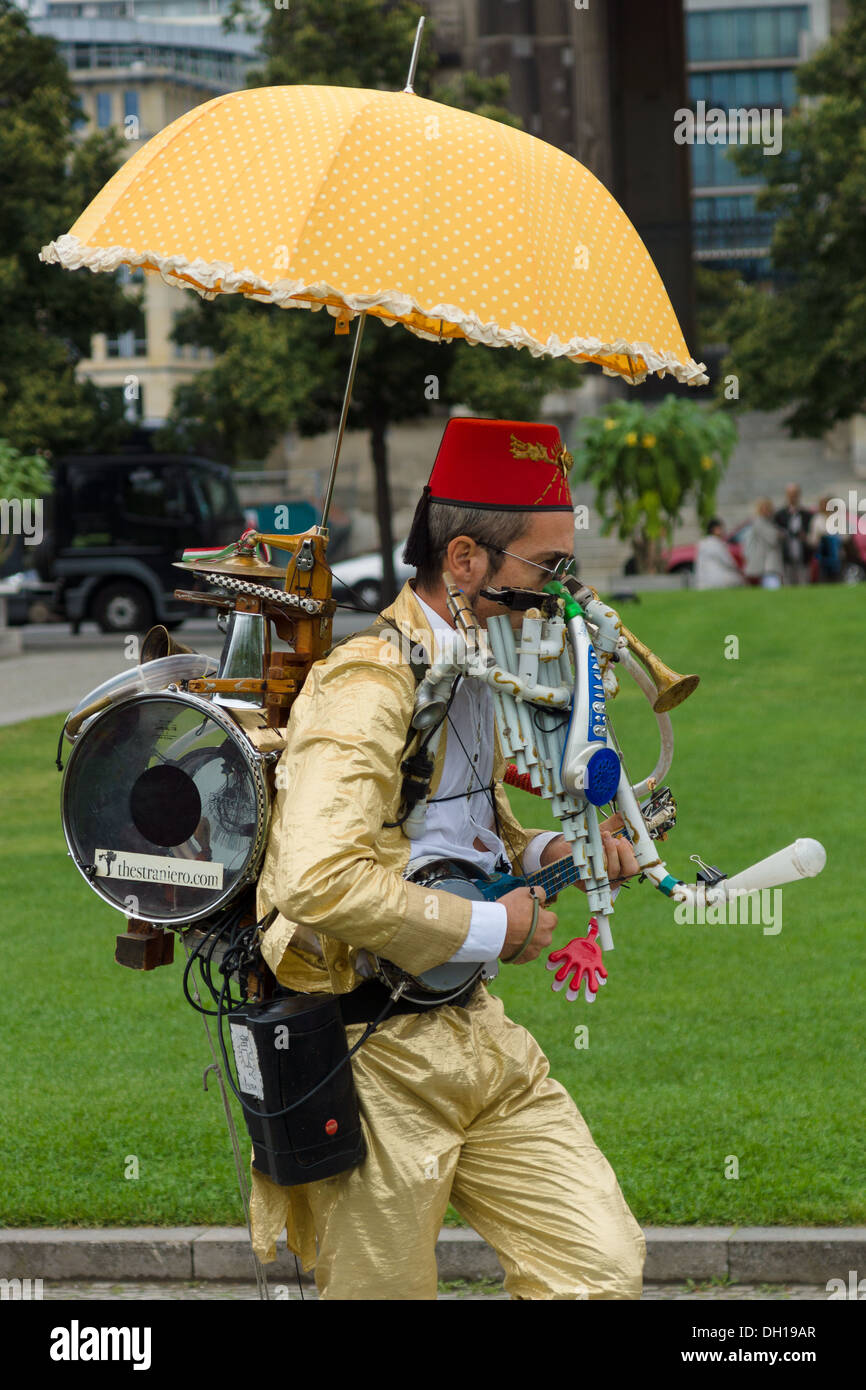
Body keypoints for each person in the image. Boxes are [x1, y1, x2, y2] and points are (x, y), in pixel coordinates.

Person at [248, 417, 646, 1300]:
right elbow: (317, 876)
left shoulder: (471, 665)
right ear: (465, 560)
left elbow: (464, 828)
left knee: (598, 1271)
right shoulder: (369, 679)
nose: (563, 594)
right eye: (547, 570)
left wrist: (556, 850)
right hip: (370, 1047)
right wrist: (488, 923)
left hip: (478, 1031)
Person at [774, 484, 812, 586]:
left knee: (803, 583)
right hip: (787, 555)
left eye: (795, 494)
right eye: (790, 494)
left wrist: (805, 537)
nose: (793, 497)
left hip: (803, 555)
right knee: (788, 584)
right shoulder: (780, 515)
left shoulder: (806, 515)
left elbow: (811, 534)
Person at [694, 517, 745, 590]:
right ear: (715, 529)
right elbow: (728, 562)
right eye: (721, 528)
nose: (723, 531)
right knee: (740, 580)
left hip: (702, 581)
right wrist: (740, 571)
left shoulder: (702, 543)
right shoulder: (717, 544)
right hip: (718, 579)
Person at [743, 498, 785, 588]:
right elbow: (772, 538)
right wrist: (779, 534)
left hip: (770, 561)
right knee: (771, 583)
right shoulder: (759, 522)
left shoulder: (770, 522)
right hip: (767, 562)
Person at [808, 497, 843, 583]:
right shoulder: (817, 519)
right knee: (823, 577)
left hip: (836, 553)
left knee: (836, 577)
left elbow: (845, 536)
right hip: (822, 553)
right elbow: (812, 538)